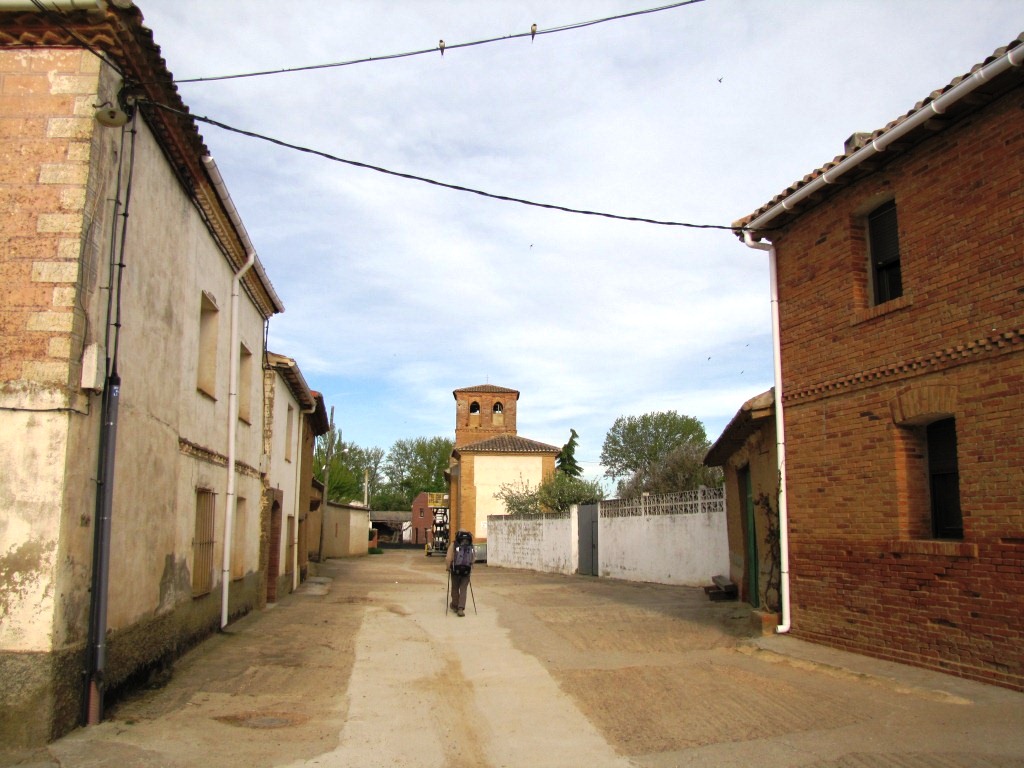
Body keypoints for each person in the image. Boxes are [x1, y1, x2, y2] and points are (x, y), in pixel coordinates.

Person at [446, 529, 475, 617]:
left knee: (455, 588)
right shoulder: (470, 545)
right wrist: (470, 566)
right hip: (466, 571)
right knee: (463, 589)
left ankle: (455, 605)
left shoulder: (454, 544)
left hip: (455, 570)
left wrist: (448, 567)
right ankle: (461, 608)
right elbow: (473, 557)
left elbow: (448, 558)